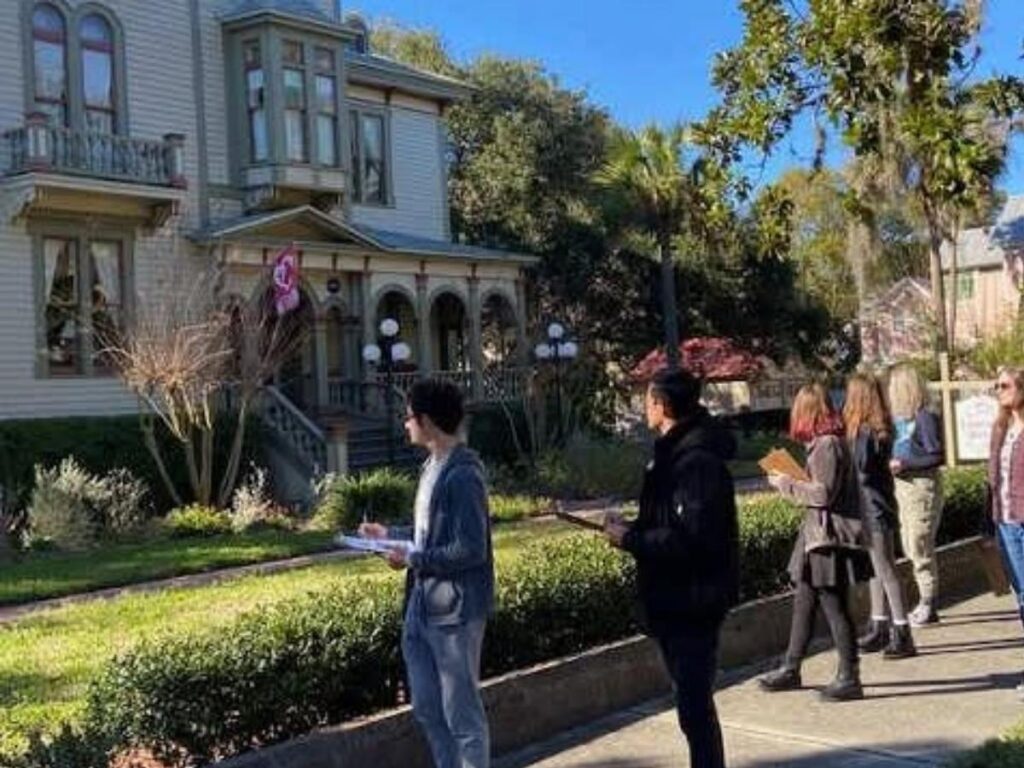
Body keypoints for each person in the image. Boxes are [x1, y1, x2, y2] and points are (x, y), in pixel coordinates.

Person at [604, 368, 739, 768]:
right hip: (671, 599)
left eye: (647, 399)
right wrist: (629, 529)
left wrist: (630, 540)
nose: (644, 406)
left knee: (695, 709)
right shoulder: (669, 455)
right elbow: (664, 521)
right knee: (690, 706)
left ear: (662, 405)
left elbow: (688, 538)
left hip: (692, 601)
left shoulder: (696, 462)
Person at [359, 379, 494, 768]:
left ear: (427, 421)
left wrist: (413, 559)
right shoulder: (431, 467)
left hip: (455, 612)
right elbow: (429, 536)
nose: (405, 424)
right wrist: (390, 536)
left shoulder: (463, 475)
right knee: (428, 710)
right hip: (421, 605)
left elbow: (470, 549)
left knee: (462, 717)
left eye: (409, 417)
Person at [759, 382, 872, 701]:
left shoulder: (826, 445)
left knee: (834, 606)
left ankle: (849, 676)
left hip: (828, 538)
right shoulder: (827, 443)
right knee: (804, 604)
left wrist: (786, 483)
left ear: (807, 411)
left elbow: (823, 494)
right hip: (818, 537)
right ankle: (791, 667)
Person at [844, 374, 916, 659]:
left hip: (872, 509)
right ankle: (879, 624)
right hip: (876, 506)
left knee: (886, 570)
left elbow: (860, 470)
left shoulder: (865, 433)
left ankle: (902, 631)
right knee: (876, 569)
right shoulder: (878, 429)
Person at [887, 363, 944, 626]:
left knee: (920, 544)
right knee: (909, 544)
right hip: (903, 487)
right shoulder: (901, 420)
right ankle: (925, 600)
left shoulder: (925, 417)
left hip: (922, 486)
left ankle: (928, 602)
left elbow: (937, 455)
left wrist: (906, 464)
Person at [985, 366, 1024, 694]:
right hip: (1006, 522)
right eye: (997, 386)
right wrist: (988, 524)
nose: (999, 391)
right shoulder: (1000, 428)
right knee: (1021, 594)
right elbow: (991, 481)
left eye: (1005, 385)